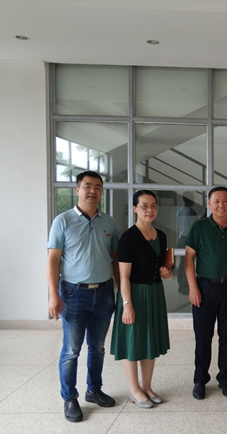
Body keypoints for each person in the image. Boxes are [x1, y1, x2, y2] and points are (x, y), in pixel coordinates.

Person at [47, 171, 119, 423]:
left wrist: (121, 290)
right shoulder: (63, 221)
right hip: (73, 293)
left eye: (97, 187)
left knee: (97, 347)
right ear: (77, 189)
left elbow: (115, 258)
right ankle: (69, 397)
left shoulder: (108, 222)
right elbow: (53, 260)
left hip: (104, 292)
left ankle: (94, 390)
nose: (92, 191)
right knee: (71, 349)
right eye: (87, 186)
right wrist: (53, 295)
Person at [110, 190, 172, 408]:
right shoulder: (128, 238)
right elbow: (123, 276)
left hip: (155, 293)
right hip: (134, 295)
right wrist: (127, 305)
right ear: (134, 209)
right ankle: (134, 389)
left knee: (149, 340)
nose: (149, 210)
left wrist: (166, 273)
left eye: (153, 205)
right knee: (133, 341)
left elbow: (164, 271)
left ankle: (147, 386)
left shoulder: (161, 236)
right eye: (144, 206)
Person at [185, 186, 227, 400]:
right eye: (216, 201)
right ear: (209, 204)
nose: (221, 205)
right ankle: (200, 380)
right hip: (204, 288)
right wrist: (193, 288)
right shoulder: (199, 227)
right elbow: (189, 259)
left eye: (225, 201)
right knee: (203, 337)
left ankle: (225, 378)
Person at [176, 192, 198, 294]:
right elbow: (195, 227)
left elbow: (177, 226)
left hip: (181, 238)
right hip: (188, 239)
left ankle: (181, 284)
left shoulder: (179, 211)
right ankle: (186, 286)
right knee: (188, 264)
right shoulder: (191, 212)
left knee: (181, 263)